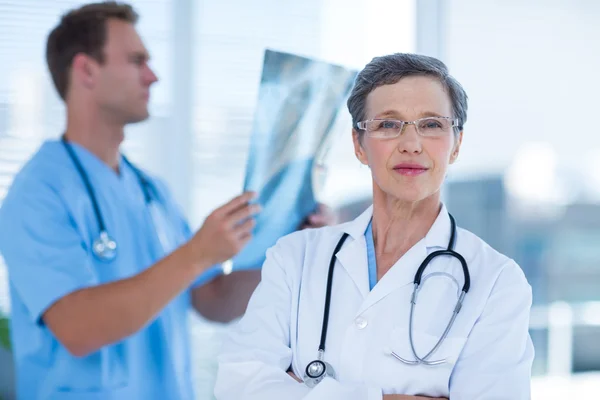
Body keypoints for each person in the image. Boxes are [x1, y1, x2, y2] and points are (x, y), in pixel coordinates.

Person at [0, 2, 332, 399]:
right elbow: (78, 329)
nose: (153, 76)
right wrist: (197, 253)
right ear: (87, 69)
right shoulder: (38, 192)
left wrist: (292, 249)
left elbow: (214, 302)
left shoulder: (151, 191)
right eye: (137, 61)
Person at [214, 53, 535, 400]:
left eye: (431, 124)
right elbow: (237, 385)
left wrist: (304, 391)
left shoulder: (497, 282)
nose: (411, 144)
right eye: (387, 125)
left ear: (456, 144)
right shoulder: (295, 258)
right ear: (359, 145)